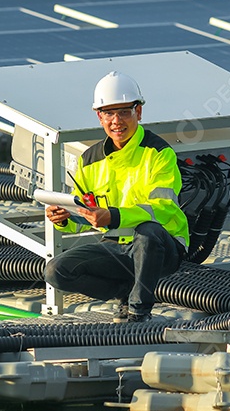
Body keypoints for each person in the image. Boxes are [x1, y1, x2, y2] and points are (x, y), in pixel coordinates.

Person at [44, 71, 189, 323]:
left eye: (124, 112)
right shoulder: (89, 159)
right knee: (56, 271)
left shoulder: (159, 153)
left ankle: (138, 312)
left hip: (162, 248)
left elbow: (164, 209)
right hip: (116, 246)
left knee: (147, 231)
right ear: (99, 117)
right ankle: (125, 292)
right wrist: (64, 218)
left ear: (138, 112)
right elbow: (83, 212)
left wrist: (113, 216)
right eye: (108, 113)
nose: (116, 121)